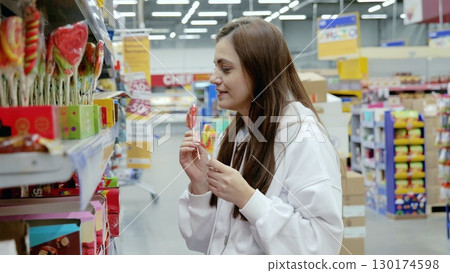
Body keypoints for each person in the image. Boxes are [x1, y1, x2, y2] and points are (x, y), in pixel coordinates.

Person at [178, 17, 343, 255]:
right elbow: (208, 241)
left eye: (225, 69)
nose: (214, 78)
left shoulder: (303, 136)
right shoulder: (237, 133)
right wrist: (201, 184)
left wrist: (247, 198)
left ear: (259, 71)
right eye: (215, 67)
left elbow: (321, 246)